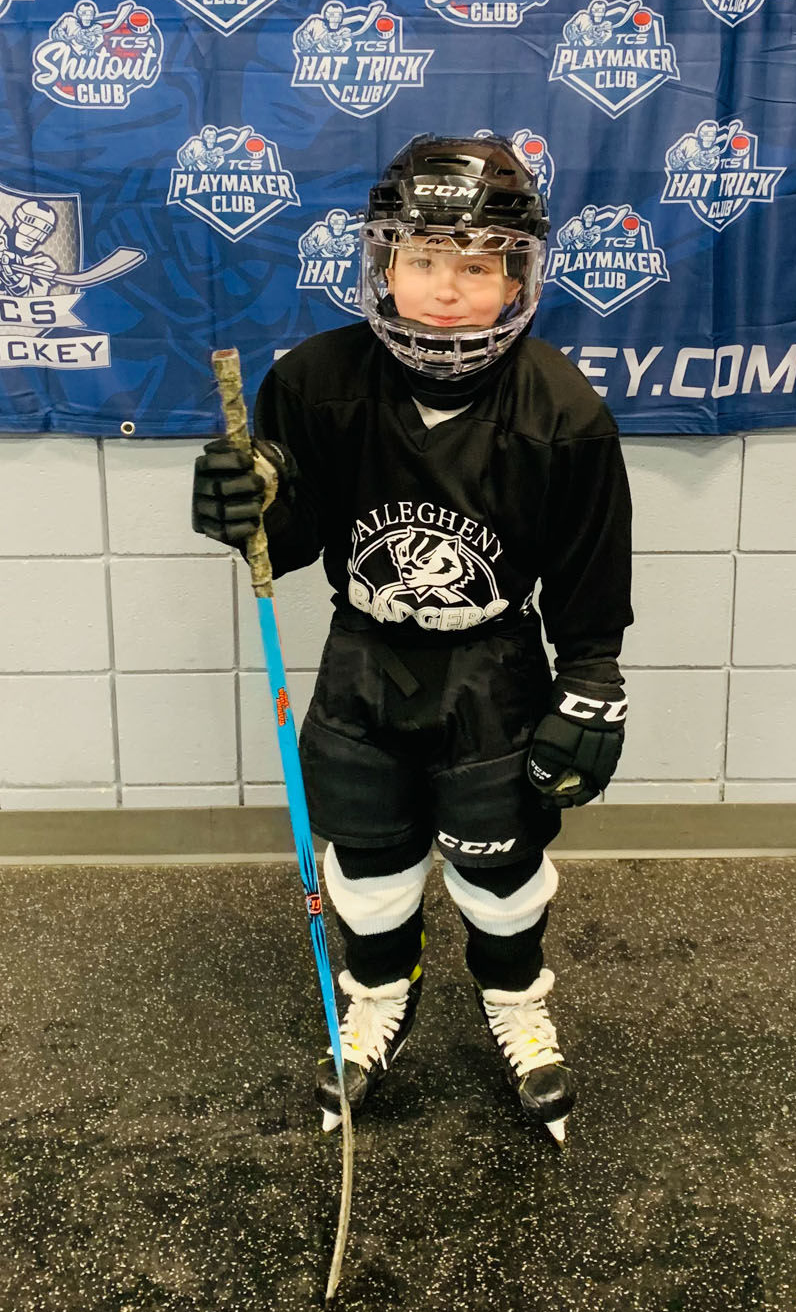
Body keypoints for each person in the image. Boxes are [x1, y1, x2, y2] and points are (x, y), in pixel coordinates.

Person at [191, 136, 632, 1143]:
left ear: (518, 277)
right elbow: (289, 541)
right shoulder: (315, 382)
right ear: (382, 264)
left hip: (494, 670)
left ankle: (515, 1000)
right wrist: (243, 509)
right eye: (424, 258)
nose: (446, 289)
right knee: (370, 853)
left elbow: (587, 566)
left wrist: (592, 676)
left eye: (477, 265)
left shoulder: (563, 410)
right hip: (364, 659)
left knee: (499, 867)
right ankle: (380, 994)